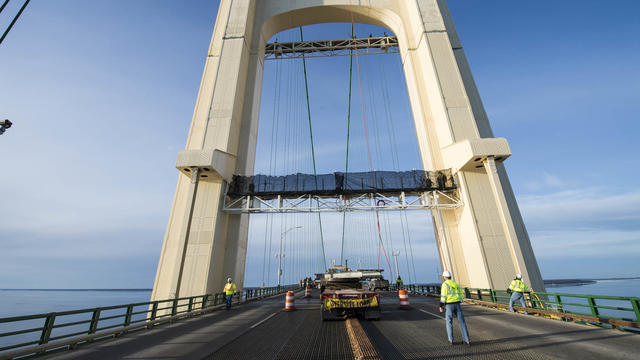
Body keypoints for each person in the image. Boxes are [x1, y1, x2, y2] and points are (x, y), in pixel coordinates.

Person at [439, 271, 470, 345]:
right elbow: (462, 295)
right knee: (462, 322)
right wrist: (460, 301)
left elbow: (443, 296)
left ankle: (451, 340)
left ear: (444, 277)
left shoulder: (445, 284)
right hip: (457, 304)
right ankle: (467, 340)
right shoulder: (455, 284)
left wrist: (441, 306)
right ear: (450, 276)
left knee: (449, 322)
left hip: (449, 305)